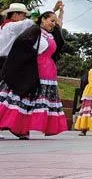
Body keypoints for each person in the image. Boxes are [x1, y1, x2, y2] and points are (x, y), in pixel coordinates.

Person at [0, 10, 67, 139]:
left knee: (33, 102)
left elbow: (59, 42)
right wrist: (28, 60)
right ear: (43, 19)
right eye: (51, 21)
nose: (53, 24)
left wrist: (60, 15)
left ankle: (22, 128)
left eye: (54, 22)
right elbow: (21, 44)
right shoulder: (34, 30)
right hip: (34, 70)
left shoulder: (50, 35)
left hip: (47, 72)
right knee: (21, 98)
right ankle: (15, 126)